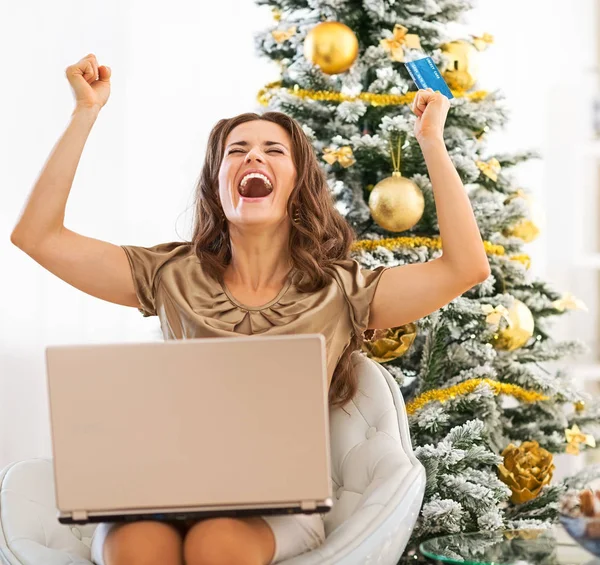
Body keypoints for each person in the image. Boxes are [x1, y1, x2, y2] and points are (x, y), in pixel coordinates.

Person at [10, 53, 491, 565]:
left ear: (296, 186)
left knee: (216, 543)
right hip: (162, 485)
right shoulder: (169, 275)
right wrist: (85, 112)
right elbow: (36, 236)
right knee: (133, 545)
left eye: (273, 151)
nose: (253, 159)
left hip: (276, 506)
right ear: (217, 188)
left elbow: (465, 267)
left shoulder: (341, 290)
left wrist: (431, 141)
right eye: (236, 151)